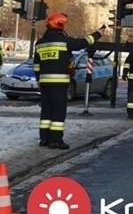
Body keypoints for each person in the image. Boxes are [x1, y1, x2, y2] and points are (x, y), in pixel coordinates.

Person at [33, 13, 106, 149]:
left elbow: (36, 65)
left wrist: (39, 79)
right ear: (60, 25)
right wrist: (98, 33)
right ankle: (56, 140)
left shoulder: (40, 43)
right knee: (58, 111)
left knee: (46, 111)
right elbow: (84, 42)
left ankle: (44, 139)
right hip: (59, 83)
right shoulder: (64, 41)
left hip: (44, 83)